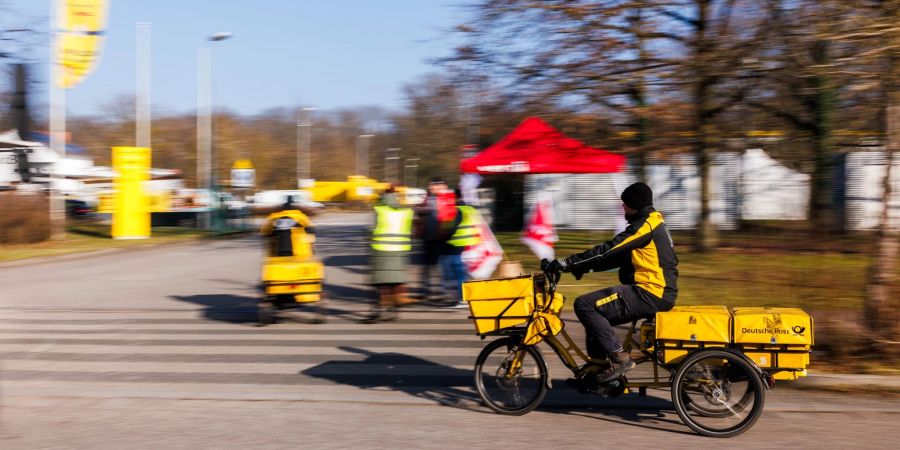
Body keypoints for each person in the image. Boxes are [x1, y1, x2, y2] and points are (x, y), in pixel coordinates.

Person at [542, 182, 677, 383]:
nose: (622, 208)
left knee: (585, 305)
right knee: (596, 317)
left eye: (624, 204)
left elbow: (608, 250)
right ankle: (600, 373)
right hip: (655, 291)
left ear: (634, 205)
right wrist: (581, 267)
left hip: (650, 292)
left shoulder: (644, 227)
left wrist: (567, 262)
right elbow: (617, 258)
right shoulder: (652, 223)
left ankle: (619, 357)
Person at [362, 188, 414, 323]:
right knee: (394, 283)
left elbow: (371, 229)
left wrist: (367, 234)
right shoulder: (406, 211)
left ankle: (377, 312)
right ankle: (394, 312)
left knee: (379, 284)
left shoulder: (379, 210)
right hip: (400, 251)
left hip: (382, 251)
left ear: (383, 196)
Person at [441, 191, 482, 308]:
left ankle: (463, 299)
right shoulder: (470, 209)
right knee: (467, 274)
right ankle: (470, 298)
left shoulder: (455, 210)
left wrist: (444, 237)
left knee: (459, 274)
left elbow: (451, 228)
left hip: (458, 245)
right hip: (472, 245)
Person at [418, 178, 453, 301]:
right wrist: (420, 211)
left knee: (441, 265)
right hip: (428, 237)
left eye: (434, 186)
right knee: (426, 265)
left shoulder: (448, 198)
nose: (432, 188)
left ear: (443, 186)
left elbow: (450, 216)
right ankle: (425, 290)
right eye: (431, 186)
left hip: (442, 237)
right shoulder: (427, 198)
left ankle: (442, 291)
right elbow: (419, 212)